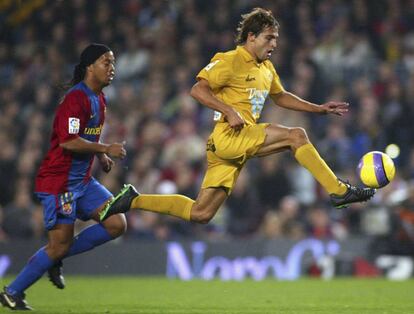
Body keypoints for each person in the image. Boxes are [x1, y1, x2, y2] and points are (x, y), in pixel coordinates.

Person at [100, 8, 375, 228]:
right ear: (251, 37)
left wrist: (318, 108)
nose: (275, 44)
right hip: (228, 137)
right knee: (296, 136)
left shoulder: (266, 68)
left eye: (276, 38)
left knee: (201, 213)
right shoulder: (230, 60)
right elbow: (197, 89)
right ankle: (338, 191)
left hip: (237, 142)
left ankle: (133, 200)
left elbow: (281, 96)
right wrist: (230, 110)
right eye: (269, 38)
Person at [0, 43, 127, 310]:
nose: (112, 69)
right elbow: (69, 141)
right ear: (89, 66)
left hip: (83, 182)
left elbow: (87, 135)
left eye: (113, 63)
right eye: (107, 62)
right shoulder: (75, 99)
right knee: (57, 246)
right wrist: (105, 149)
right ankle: (12, 291)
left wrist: (100, 155)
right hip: (61, 184)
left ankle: (56, 256)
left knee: (117, 223)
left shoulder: (99, 99)